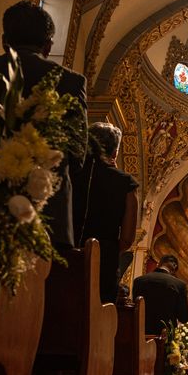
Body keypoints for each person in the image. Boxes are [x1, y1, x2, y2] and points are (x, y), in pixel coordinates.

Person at [0, 1, 87, 249]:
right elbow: (77, 155)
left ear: (4, 40)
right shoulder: (71, 82)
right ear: (48, 46)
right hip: (46, 216)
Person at [72, 122, 138, 303]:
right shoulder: (126, 185)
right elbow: (126, 239)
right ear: (115, 152)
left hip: (65, 257)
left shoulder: (70, 173)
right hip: (103, 265)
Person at [133, 254, 188, 335]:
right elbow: (184, 317)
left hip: (142, 334)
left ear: (159, 264)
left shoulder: (139, 281)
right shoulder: (179, 284)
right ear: (174, 267)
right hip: (165, 335)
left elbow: (135, 308)